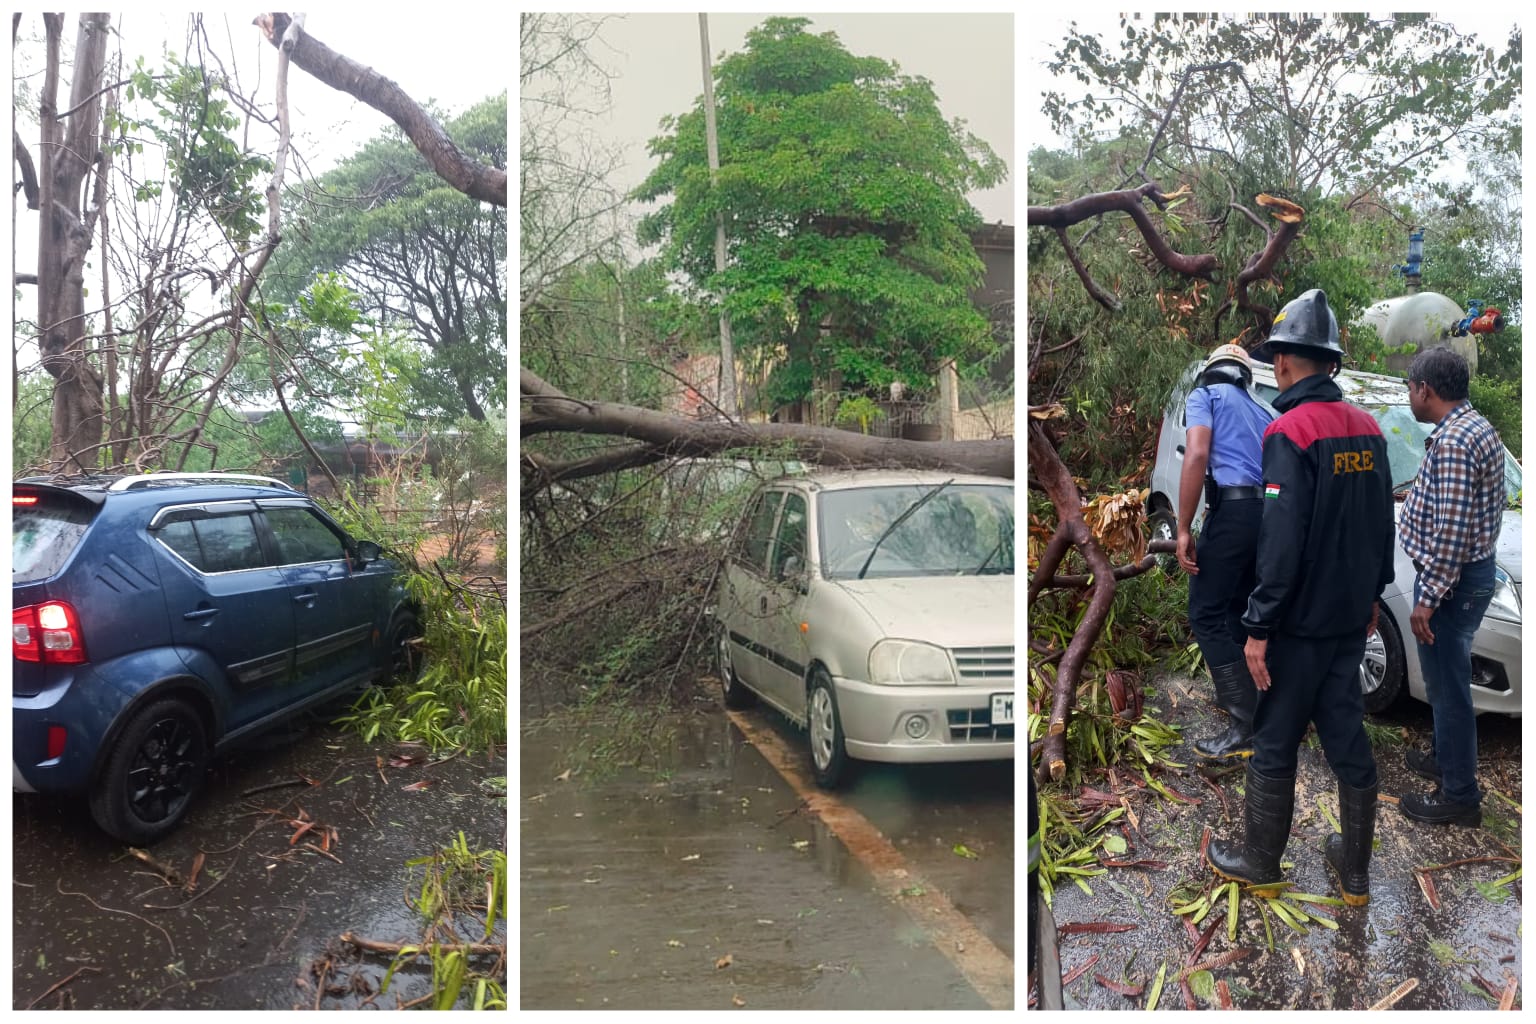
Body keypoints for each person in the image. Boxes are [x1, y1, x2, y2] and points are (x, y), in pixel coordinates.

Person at [1204, 289, 1395, 907]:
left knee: (1276, 737)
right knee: (1347, 738)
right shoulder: (1369, 429)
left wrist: (1257, 626)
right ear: (1331, 361)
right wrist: (1371, 597)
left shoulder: (1290, 432)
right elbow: (1379, 527)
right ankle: (1356, 873)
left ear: (1285, 361)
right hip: (1348, 625)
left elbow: (1279, 543)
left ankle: (1259, 861)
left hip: (1297, 630)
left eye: (1278, 357)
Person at [1396, 347, 1506, 827]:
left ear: (1426, 390)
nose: (1409, 396)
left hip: (1452, 585)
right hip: (1469, 578)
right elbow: (1465, 507)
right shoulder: (1475, 427)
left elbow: (1454, 531)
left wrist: (1426, 598)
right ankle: (1444, 758)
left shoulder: (1456, 443)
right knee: (1447, 682)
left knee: (1448, 686)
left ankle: (1460, 795)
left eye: (1409, 388)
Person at [1176, 344, 1274, 760]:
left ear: (1211, 371)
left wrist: (1183, 527)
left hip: (1231, 512)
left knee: (1204, 612)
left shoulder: (1205, 396)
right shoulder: (1266, 411)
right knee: (1240, 608)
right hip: (1267, 516)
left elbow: (1197, 453)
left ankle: (1243, 720)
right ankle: (1258, 705)